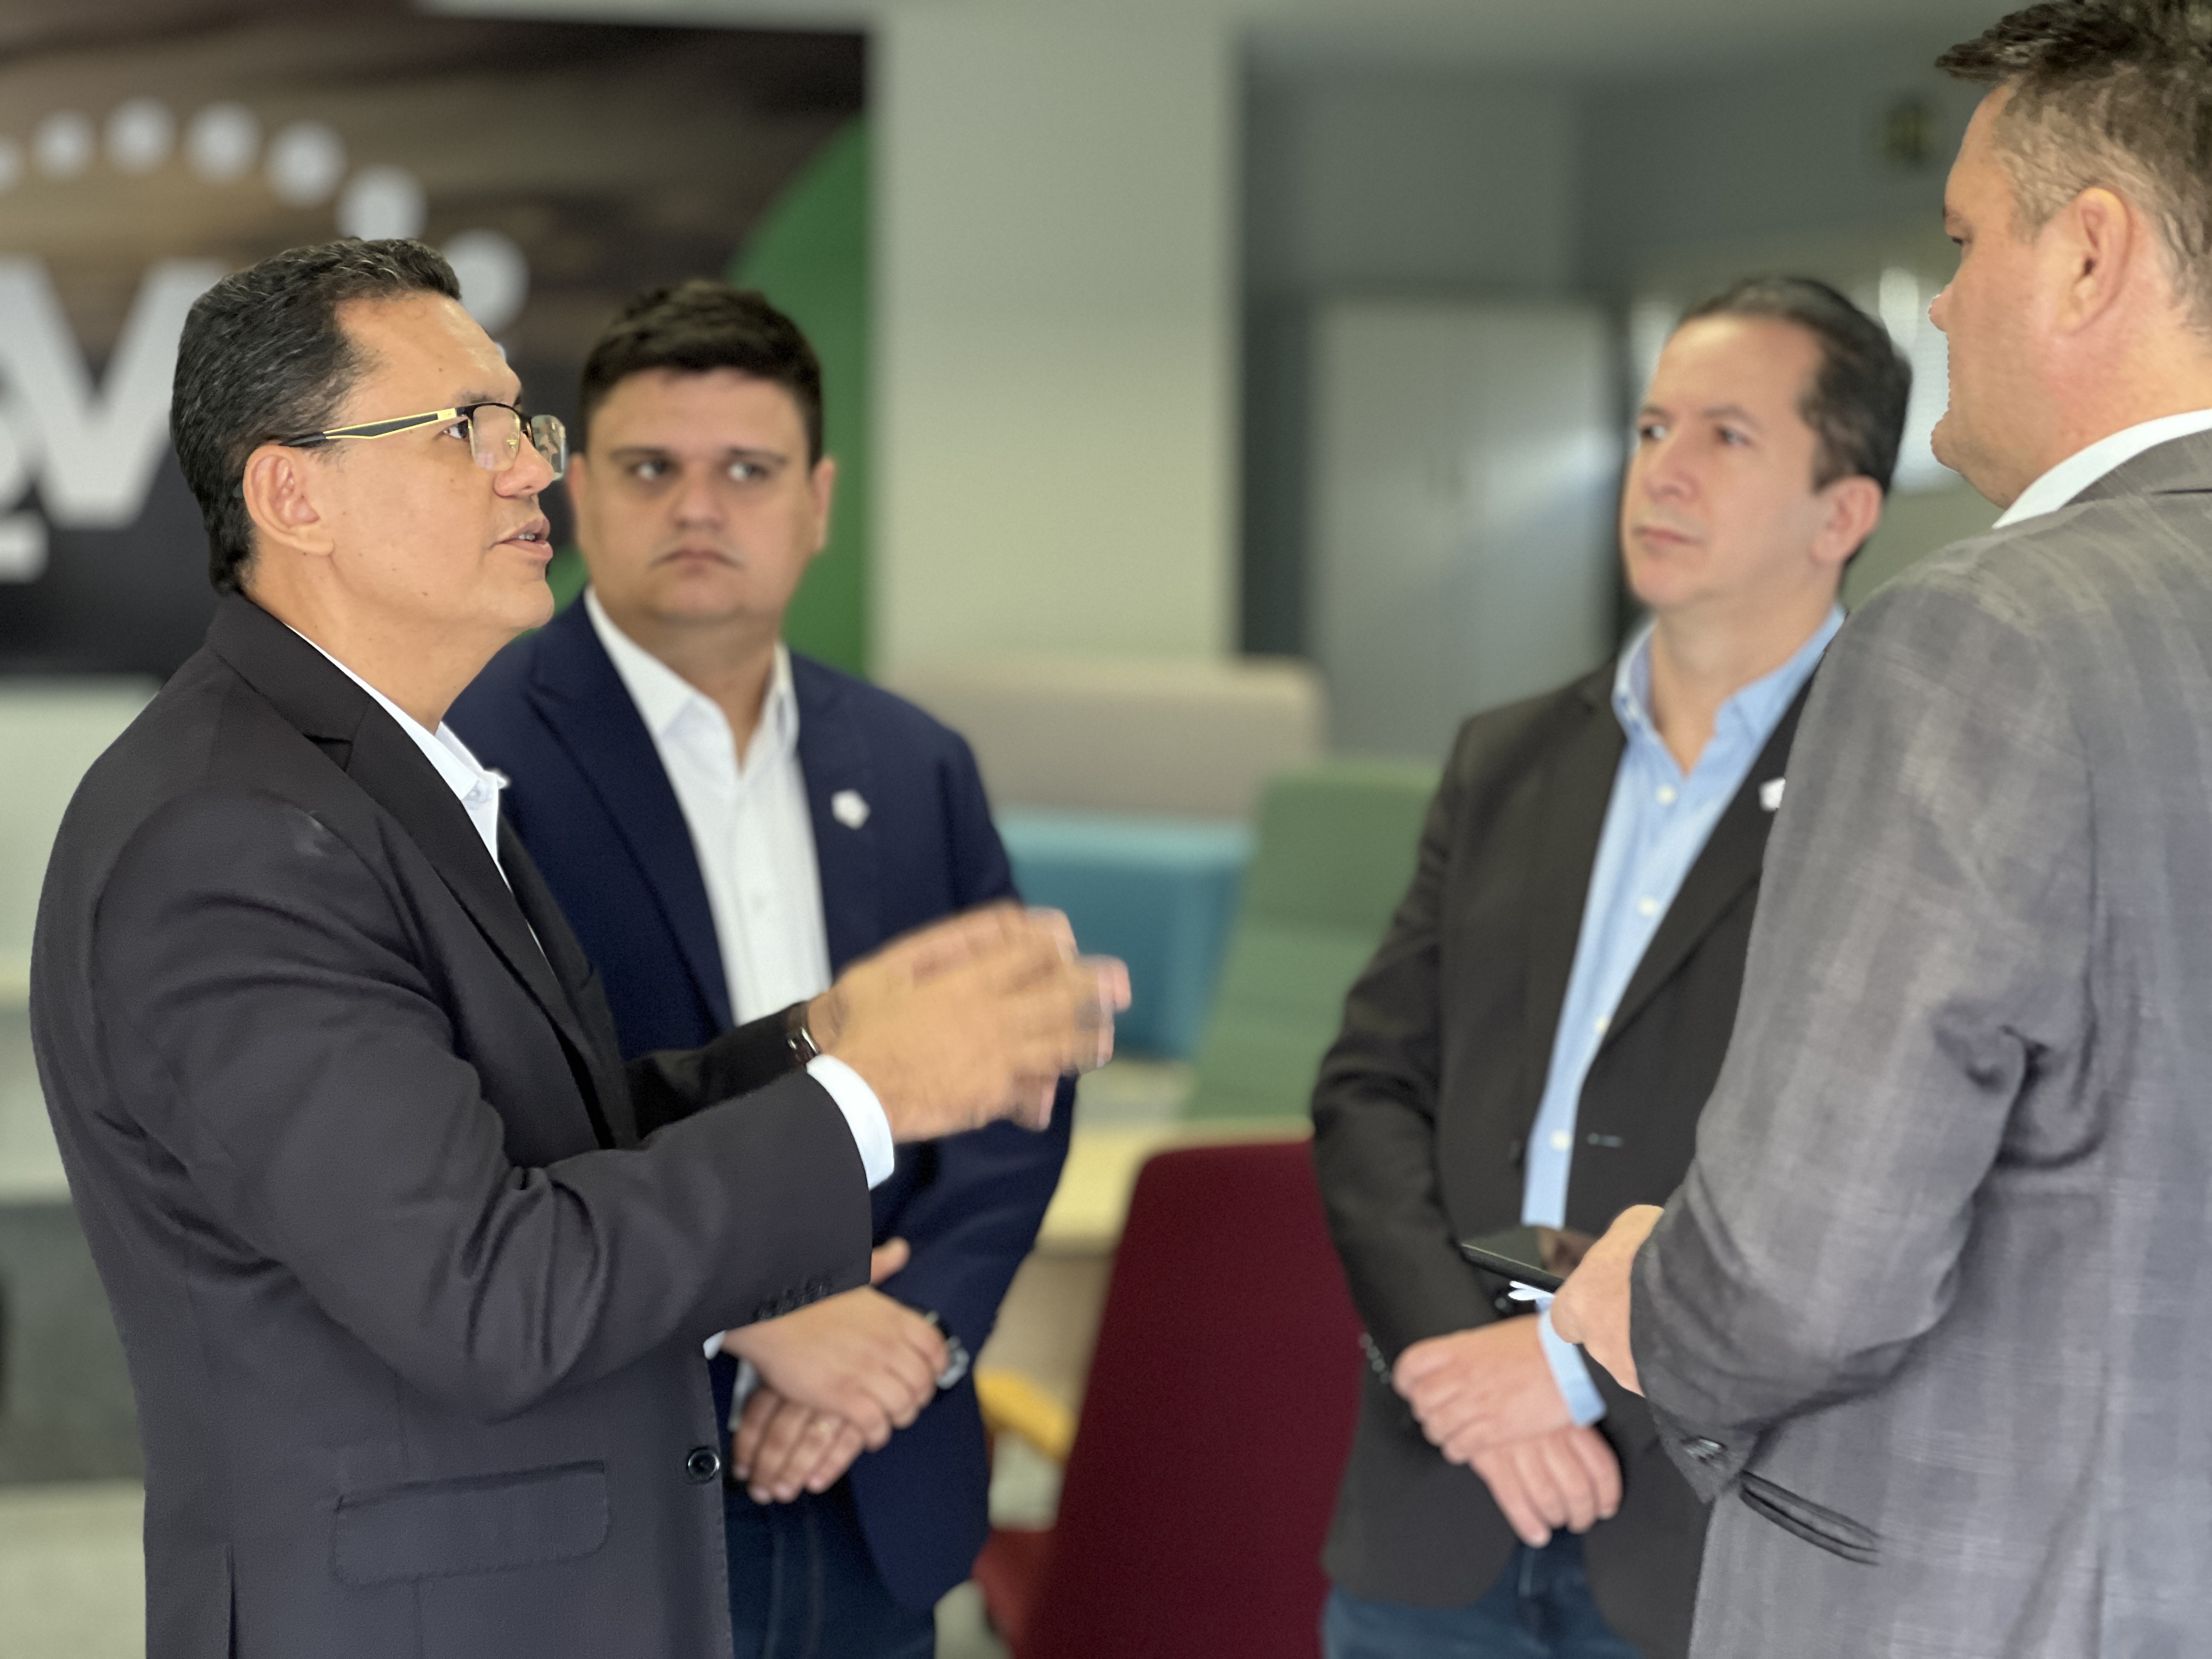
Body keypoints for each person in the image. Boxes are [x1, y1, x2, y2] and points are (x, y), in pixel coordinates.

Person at [29, 238, 1122, 1659]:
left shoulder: (377, 777)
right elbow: (489, 1290)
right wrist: (868, 1100)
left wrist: (821, 1040)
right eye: (468, 430)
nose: (529, 473)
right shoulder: (230, 836)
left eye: (523, 426)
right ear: (295, 495)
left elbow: (554, 1139)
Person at [1551, 5, 2212, 1655]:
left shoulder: (1982, 637)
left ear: (2091, 256)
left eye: (1967, 242)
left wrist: (1652, 1305)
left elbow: (1803, 1270)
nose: (1940, 301)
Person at [450, 281, 1069, 1658]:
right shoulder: (472, 758)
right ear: (577, 491)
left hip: (879, 1472)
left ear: (818, 502)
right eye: (650, 469)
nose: (699, 507)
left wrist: (910, 1337)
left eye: (748, 470)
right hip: (603, 1481)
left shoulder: (915, 764)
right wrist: (745, 1321)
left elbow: (1019, 1081)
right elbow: (487, 1134)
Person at [1311, 277, 1908, 1659]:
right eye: (1652, 428)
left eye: (1727, 436)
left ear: (1842, 514)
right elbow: (1369, 1090)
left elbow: (1864, 1178)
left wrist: (1573, 1376)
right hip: (1438, 1502)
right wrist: (1450, 1359)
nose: (1665, 469)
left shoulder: (1896, 788)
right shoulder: (1508, 757)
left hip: (1706, 1524)